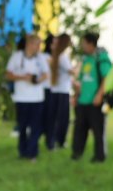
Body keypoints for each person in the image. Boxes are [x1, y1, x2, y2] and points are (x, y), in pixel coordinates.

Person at [5, 32, 49, 160]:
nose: (38, 47)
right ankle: (22, 151)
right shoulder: (17, 57)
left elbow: (46, 74)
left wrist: (36, 80)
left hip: (37, 98)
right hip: (22, 98)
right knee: (22, 126)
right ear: (29, 44)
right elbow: (8, 74)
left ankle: (32, 152)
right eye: (37, 44)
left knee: (35, 127)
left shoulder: (40, 58)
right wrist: (23, 77)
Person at [70, 32, 108, 162]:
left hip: (95, 101)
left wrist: (99, 95)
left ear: (91, 44)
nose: (82, 46)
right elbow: (81, 80)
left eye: (84, 43)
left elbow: (107, 78)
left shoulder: (101, 58)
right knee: (79, 129)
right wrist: (76, 95)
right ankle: (77, 153)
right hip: (83, 101)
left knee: (98, 131)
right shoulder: (85, 59)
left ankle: (99, 156)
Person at [43, 32, 74, 151]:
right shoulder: (62, 57)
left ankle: (52, 141)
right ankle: (58, 141)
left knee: (53, 118)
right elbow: (72, 72)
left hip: (55, 90)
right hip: (62, 92)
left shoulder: (55, 56)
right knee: (61, 119)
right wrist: (80, 66)